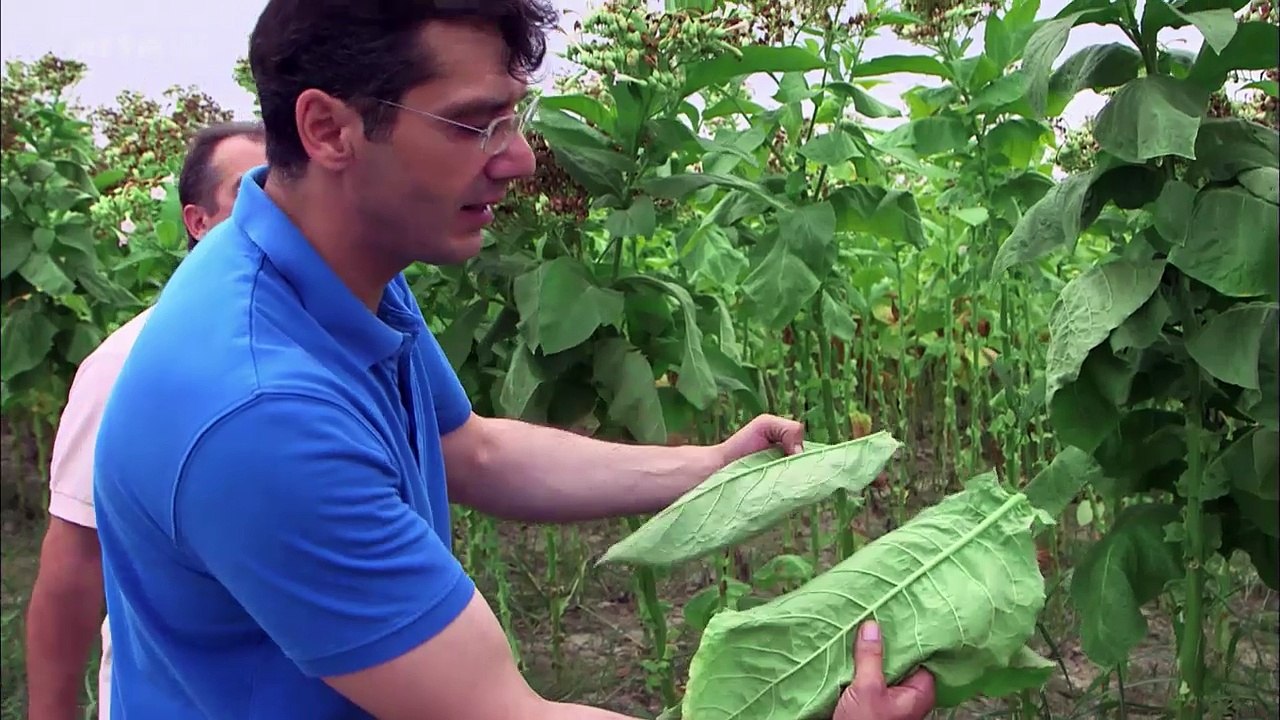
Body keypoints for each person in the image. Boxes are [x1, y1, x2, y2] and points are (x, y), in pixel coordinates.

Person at [89, 3, 937, 719]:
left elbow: (474, 450)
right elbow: (504, 711)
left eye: (514, 117)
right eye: (472, 123)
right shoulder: (260, 409)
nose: (521, 159)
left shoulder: (320, 263)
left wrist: (707, 469)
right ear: (328, 129)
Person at [24, 121, 267, 720]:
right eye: (249, 190)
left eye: (285, 185)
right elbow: (76, 562)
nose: (273, 207)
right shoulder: (130, 364)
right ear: (198, 222)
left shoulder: (343, 342)